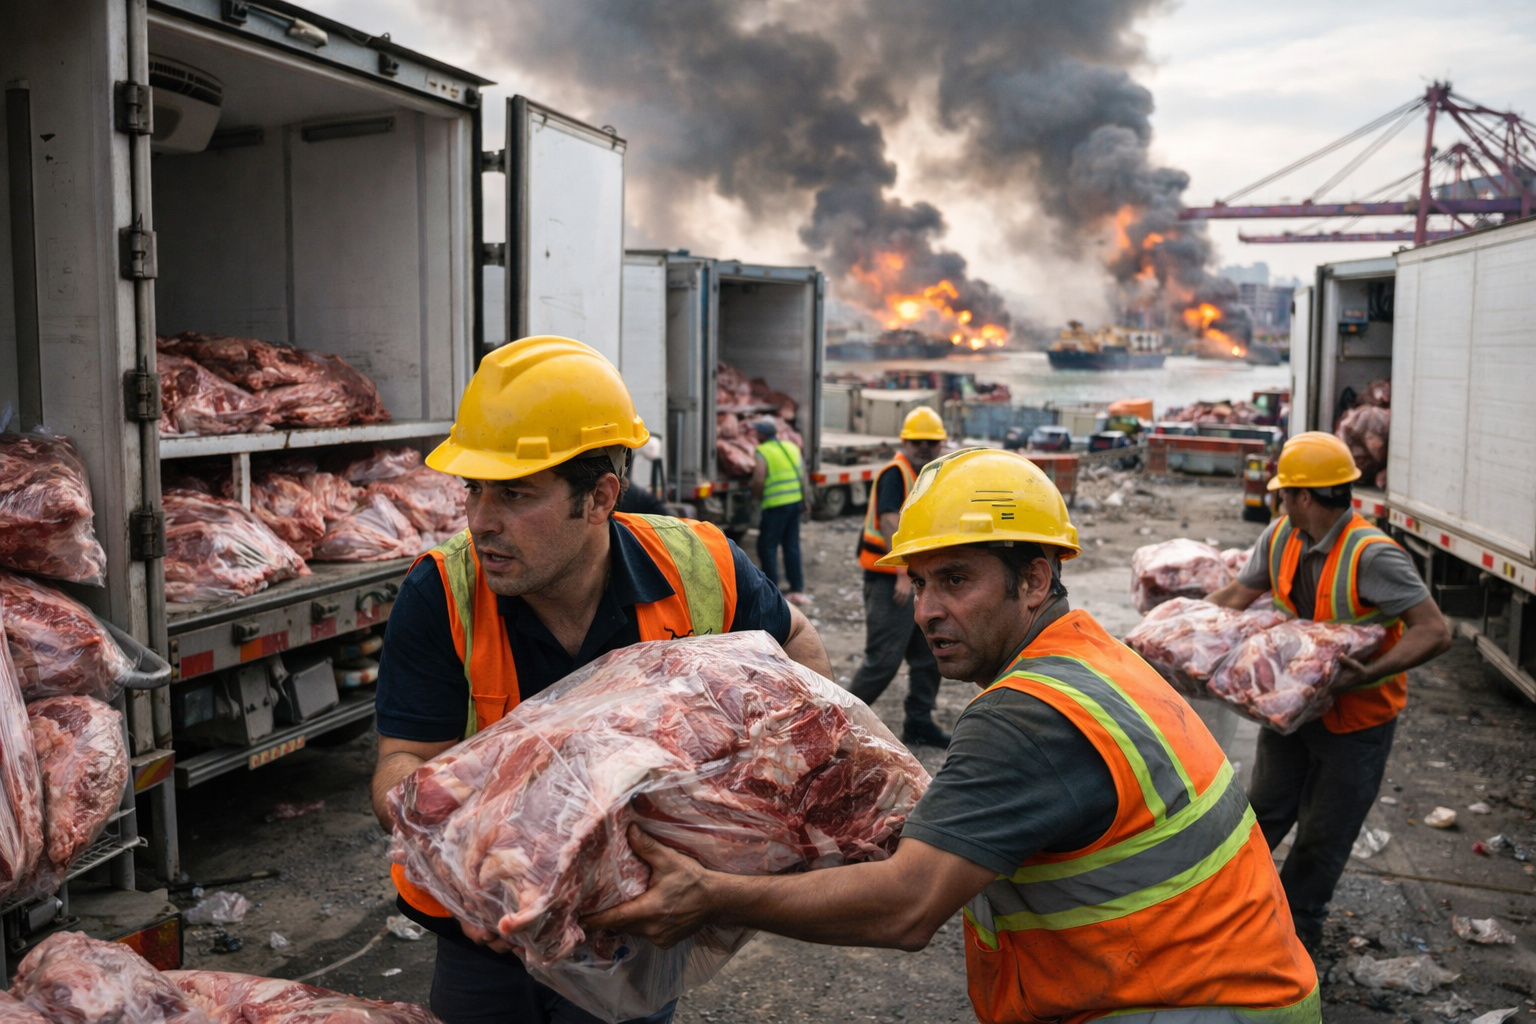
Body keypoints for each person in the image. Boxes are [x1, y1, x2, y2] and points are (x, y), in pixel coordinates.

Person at [591, 448, 1321, 1024]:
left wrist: (712, 895)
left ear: (1035, 580)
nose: (926, 610)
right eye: (919, 582)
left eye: (957, 580)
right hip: (1239, 988)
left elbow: (906, 908)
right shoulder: (1095, 657)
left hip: (1184, 1008)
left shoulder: (1026, 715)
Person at [369, 336, 832, 1024]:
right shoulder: (442, 593)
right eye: (475, 490)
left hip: (636, 927)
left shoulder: (700, 567)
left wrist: (760, 809)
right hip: (486, 938)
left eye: (516, 494)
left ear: (599, 497)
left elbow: (798, 647)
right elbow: (402, 763)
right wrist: (464, 866)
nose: (480, 521)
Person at [1207, 430, 1451, 950]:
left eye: (1284, 492)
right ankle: (1228, 912)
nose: (1279, 501)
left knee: (1323, 836)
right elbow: (1235, 595)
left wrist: (1370, 672)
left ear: (1304, 496)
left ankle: (1295, 938)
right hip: (1291, 713)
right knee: (1262, 814)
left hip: (1357, 724)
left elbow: (1435, 630)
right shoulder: (1279, 537)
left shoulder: (1372, 554)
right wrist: (1178, 630)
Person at [848, 405, 950, 747]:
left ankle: (919, 722)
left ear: (941, 445)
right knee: (883, 661)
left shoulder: (930, 476)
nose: (924, 447)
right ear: (905, 442)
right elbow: (891, 522)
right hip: (890, 580)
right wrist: (903, 574)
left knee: (928, 656)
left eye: (931, 442)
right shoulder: (896, 473)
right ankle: (835, 721)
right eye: (918, 441)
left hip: (921, 580)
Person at [749, 417, 811, 606]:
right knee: (791, 545)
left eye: (756, 431)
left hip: (775, 505)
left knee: (767, 547)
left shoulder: (762, 451)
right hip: (794, 503)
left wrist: (755, 498)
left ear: (761, 434)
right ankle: (797, 589)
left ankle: (772, 591)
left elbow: (759, 478)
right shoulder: (791, 447)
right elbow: (803, 476)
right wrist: (806, 500)